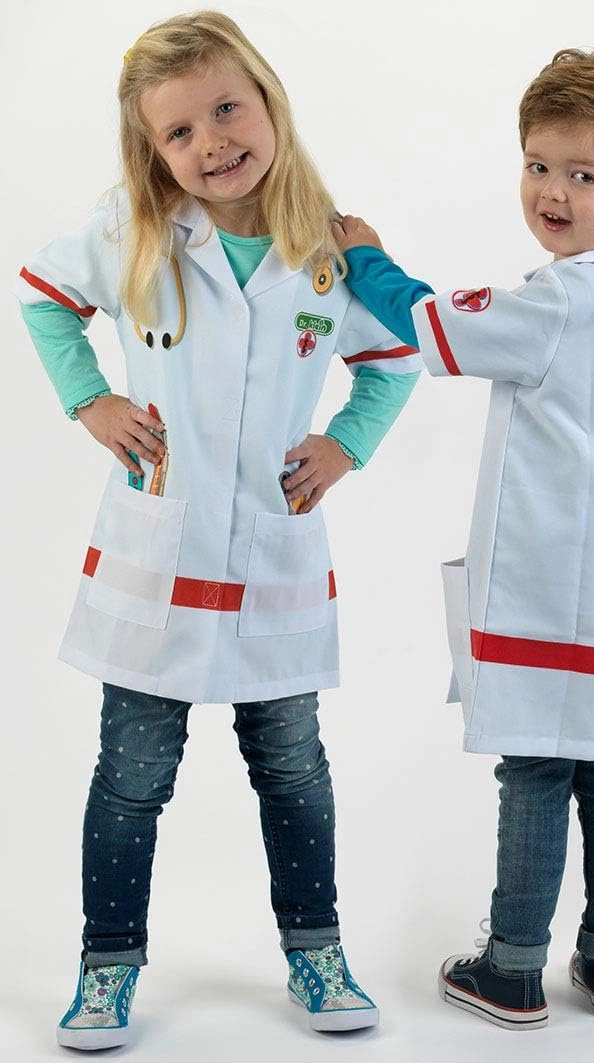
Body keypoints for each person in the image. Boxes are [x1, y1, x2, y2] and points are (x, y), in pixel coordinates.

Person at [17, 10, 421, 1050]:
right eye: (180, 131)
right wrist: (90, 400)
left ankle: (316, 950)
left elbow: (395, 358)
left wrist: (344, 445)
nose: (213, 142)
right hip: (159, 558)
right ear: (152, 150)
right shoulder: (130, 228)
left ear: (270, 100)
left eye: (228, 108)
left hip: (271, 559)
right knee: (131, 777)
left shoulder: (330, 251)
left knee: (292, 767)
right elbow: (45, 301)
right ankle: (107, 965)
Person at [334, 48, 594, 1031]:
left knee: (537, 764)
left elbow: (432, 325)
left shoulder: (559, 299)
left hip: (556, 590)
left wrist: (365, 257)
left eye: (584, 174)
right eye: (538, 165)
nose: (552, 191)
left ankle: (511, 968)